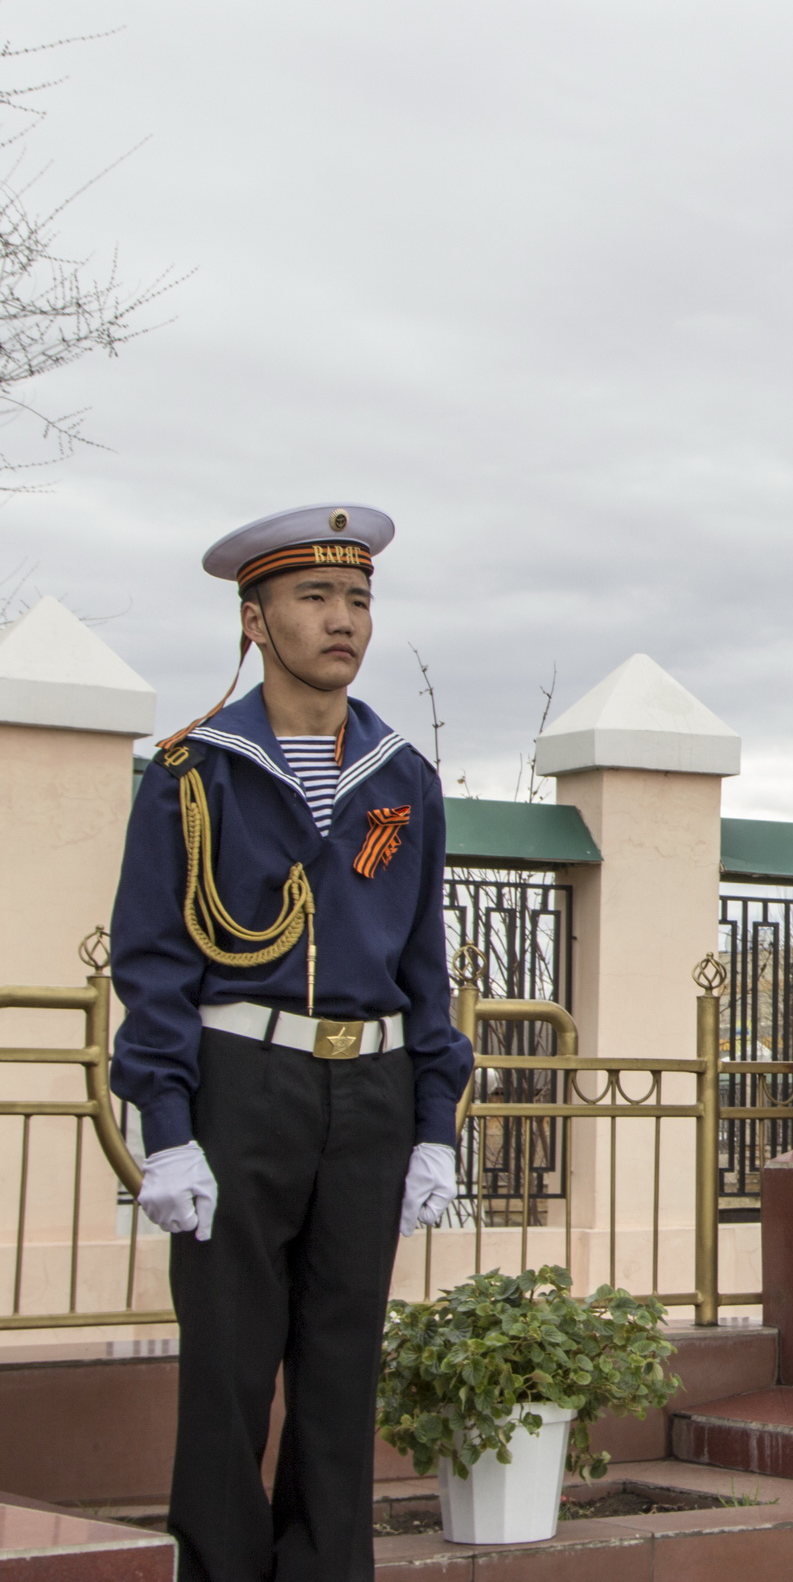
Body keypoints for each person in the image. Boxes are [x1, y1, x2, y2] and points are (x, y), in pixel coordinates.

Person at [109, 504, 474, 1582]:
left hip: (369, 1084)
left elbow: (425, 962)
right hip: (240, 1081)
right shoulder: (193, 770)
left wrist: (433, 1123)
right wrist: (167, 1128)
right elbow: (155, 960)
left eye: (357, 598)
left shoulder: (402, 776)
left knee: (341, 1358)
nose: (342, 619)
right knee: (227, 1363)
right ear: (256, 619)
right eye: (314, 598)